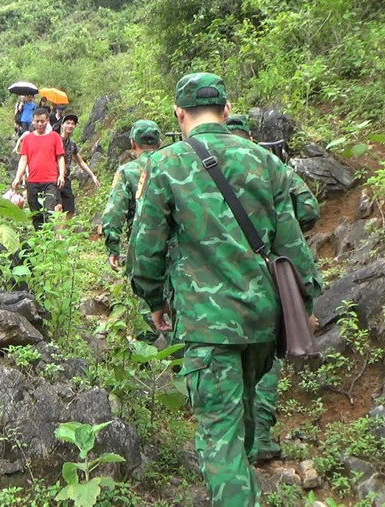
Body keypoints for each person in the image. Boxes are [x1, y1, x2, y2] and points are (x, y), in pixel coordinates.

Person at [129, 72, 321, 506]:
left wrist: (153, 299)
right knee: (243, 421)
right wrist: (305, 302)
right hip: (261, 320)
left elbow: (146, 247)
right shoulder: (266, 162)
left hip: (206, 325)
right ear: (227, 110)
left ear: (179, 113)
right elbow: (292, 246)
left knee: (221, 436)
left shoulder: (165, 164)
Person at [226, 114, 322, 462]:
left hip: (212, 288)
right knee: (264, 361)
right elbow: (309, 207)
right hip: (267, 277)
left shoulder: (195, 161)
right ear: (249, 135)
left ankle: (233, 444)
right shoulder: (268, 164)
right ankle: (260, 437)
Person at [226, 114, 320, 232]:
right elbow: (309, 210)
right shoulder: (274, 166)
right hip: (269, 246)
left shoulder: (203, 167)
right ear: (250, 139)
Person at [102, 119, 160, 271]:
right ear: (159, 143)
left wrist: (113, 248)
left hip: (142, 245)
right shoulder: (176, 165)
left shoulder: (127, 171)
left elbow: (114, 212)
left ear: (133, 143)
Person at [12, 107, 65, 229]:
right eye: (37, 121)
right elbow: (23, 160)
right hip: (33, 182)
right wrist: (17, 178)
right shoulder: (28, 139)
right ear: (33, 121)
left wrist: (61, 175)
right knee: (36, 214)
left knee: (49, 212)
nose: (40, 124)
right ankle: (39, 242)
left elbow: (60, 158)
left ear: (47, 120)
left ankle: (49, 241)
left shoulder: (55, 137)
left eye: (42, 121)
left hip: (51, 181)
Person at [58, 114, 100, 217]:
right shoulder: (55, 140)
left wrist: (92, 176)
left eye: (73, 124)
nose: (70, 126)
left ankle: (60, 232)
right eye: (68, 123)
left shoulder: (72, 144)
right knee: (57, 207)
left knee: (70, 208)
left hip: (66, 178)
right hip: (53, 178)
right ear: (62, 125)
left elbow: (80, 162)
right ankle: (52, 232)